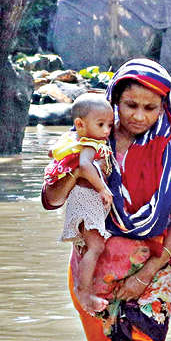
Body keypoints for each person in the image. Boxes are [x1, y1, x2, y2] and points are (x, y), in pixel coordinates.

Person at [41, 58, 171, 341]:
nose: (139, 116)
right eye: (131, 105)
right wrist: (79, 169)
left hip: (153, 271)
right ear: (114, 101)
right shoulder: (85, 142)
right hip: (93, 272)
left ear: (164, 107)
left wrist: (146, 274)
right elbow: (51, 200)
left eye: (150, 107)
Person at [46, 94, 116, 314]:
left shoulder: (76, 140)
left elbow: (53, 153)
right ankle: (83, 291)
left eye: (110, 125)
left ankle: (84, 288)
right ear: (80, 124)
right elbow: (85, 166)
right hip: (87, 199)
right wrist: (102, 188)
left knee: (90, 246)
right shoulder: (89, 144)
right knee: (96, 247)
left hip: (82, 198)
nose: (107, 130)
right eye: (101, 124)